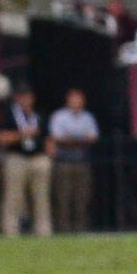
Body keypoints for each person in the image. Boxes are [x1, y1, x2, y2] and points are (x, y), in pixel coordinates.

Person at [0, 92, 51, 237]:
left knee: (41, 196)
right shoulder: (10, 116)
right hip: (17, 157)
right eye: (23, 97)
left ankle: (43, 230)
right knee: (14, 196)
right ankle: (10, 230)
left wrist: (49, 155)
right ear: (17, 98)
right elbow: (2, 138)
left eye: (29, 97)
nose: (26, 100)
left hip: (38, 157)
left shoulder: (38, 115)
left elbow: (48, 137)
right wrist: (23, 134)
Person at [48, 87, 100, 233]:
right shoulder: (59, 116)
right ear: (68, 101)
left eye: (79, 99)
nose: (76, 102)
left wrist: (70, 140)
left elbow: (93, 138)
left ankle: (81, 229)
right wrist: (79, 140)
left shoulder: (88, 117)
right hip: (64, 162)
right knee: (63, 197)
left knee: (82, 197)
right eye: (73, 99)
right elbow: (57, 138)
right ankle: (63, 230)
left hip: (82, 162)